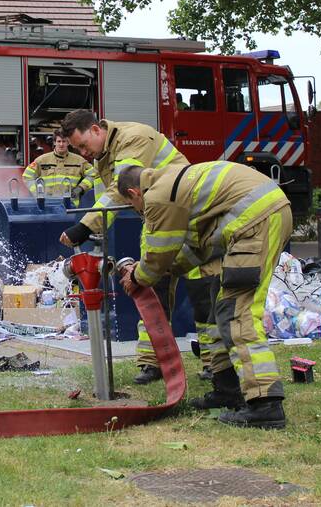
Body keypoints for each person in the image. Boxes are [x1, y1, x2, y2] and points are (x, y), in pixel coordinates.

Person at [115, 161, 293, 429]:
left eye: (132, 207)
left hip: (254, 224)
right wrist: (157, 272)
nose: (138, 213)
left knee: (237, 312)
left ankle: (266, 404)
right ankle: (227, 389)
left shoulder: (157, 197)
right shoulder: (176, 187)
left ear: (134, 194)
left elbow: (158, 255)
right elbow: (195, 250)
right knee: (219, 304)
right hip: (259, 218)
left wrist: (137, 276)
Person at [56, 109, 189, 385]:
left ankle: (217, 368)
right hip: (154, 215)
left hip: (183, 213)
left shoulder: (132, 138)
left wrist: (86, 226)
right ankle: (152, 363)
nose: (82, 153)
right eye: (77, 149)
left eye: (83, 145)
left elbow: (120, 188)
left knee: (202, 292)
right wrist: (95, 227)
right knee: (151, 289)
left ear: (96, 130)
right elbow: (103, 192)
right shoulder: (102, 153)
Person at [21, 130, 96, 202]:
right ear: (54, 142)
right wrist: (38, 193)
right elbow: (27, 176)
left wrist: (80, 188)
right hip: (48, 205)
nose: (61, 144)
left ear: (68, 142)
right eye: (59, 141)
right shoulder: (42, 160)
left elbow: (93, 174)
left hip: (71, 206)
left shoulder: (79, 161)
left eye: (64, 141)